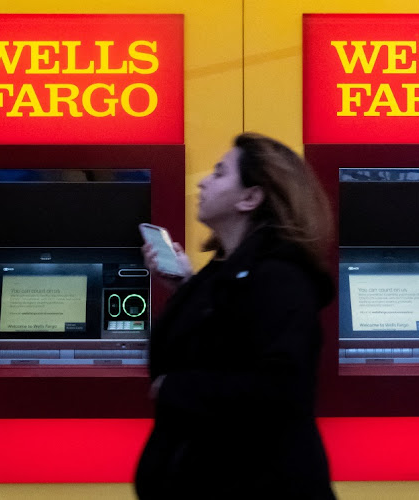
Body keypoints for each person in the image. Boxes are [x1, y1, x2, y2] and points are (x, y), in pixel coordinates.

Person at [135, 132, 337, 500]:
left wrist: (174, 387)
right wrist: (185, 287)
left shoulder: (281, 277)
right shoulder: (225, 271)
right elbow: (229, 335)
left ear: (250, 198)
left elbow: (280, 391)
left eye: (219, 173)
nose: (203, 181)